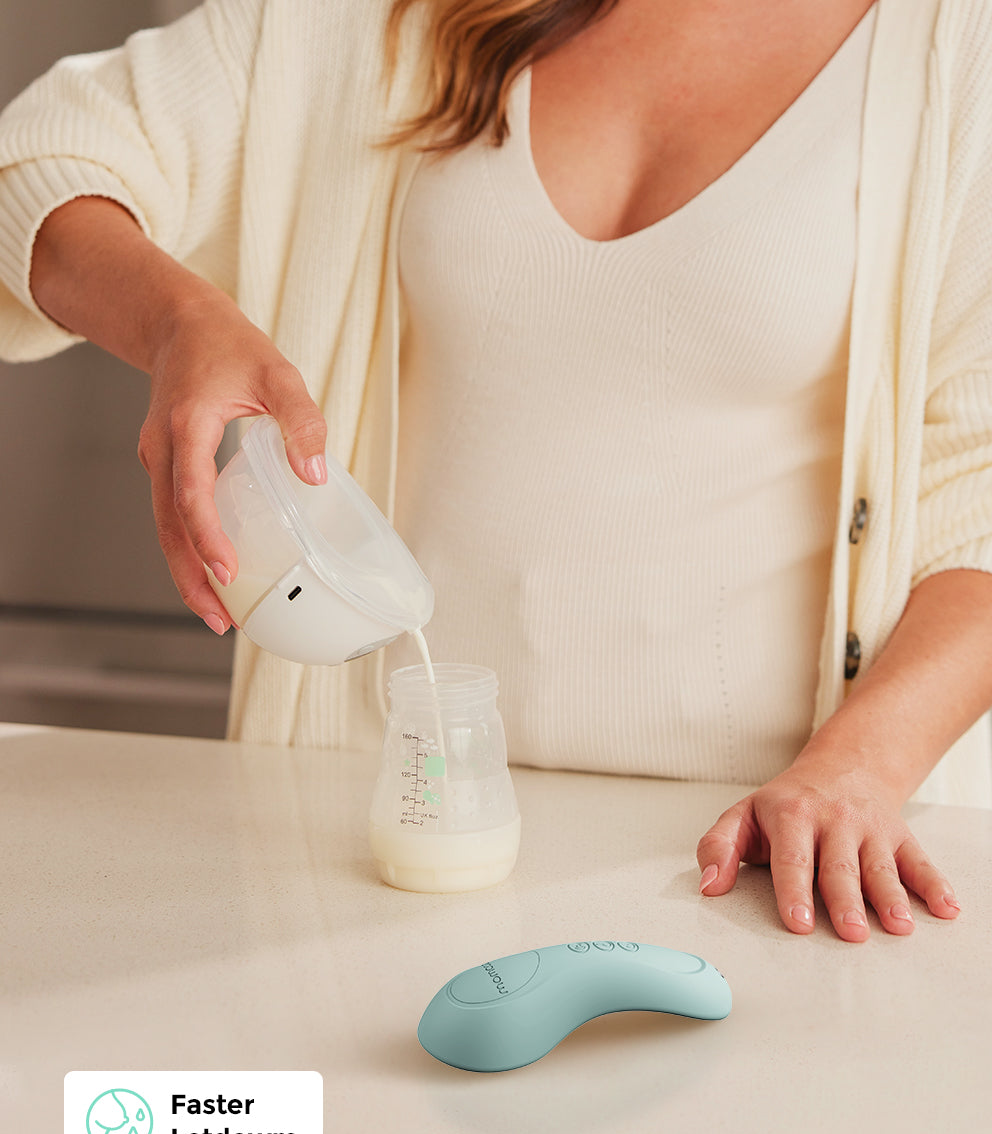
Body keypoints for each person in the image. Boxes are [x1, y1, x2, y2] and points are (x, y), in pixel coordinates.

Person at [1, 0, 991, 943]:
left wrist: (856, 769)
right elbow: (34, 170)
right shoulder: (376, 19)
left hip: (755, 864)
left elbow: (977, 502)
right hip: (374, 835)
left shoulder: (954, 55)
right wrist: (179, 318)